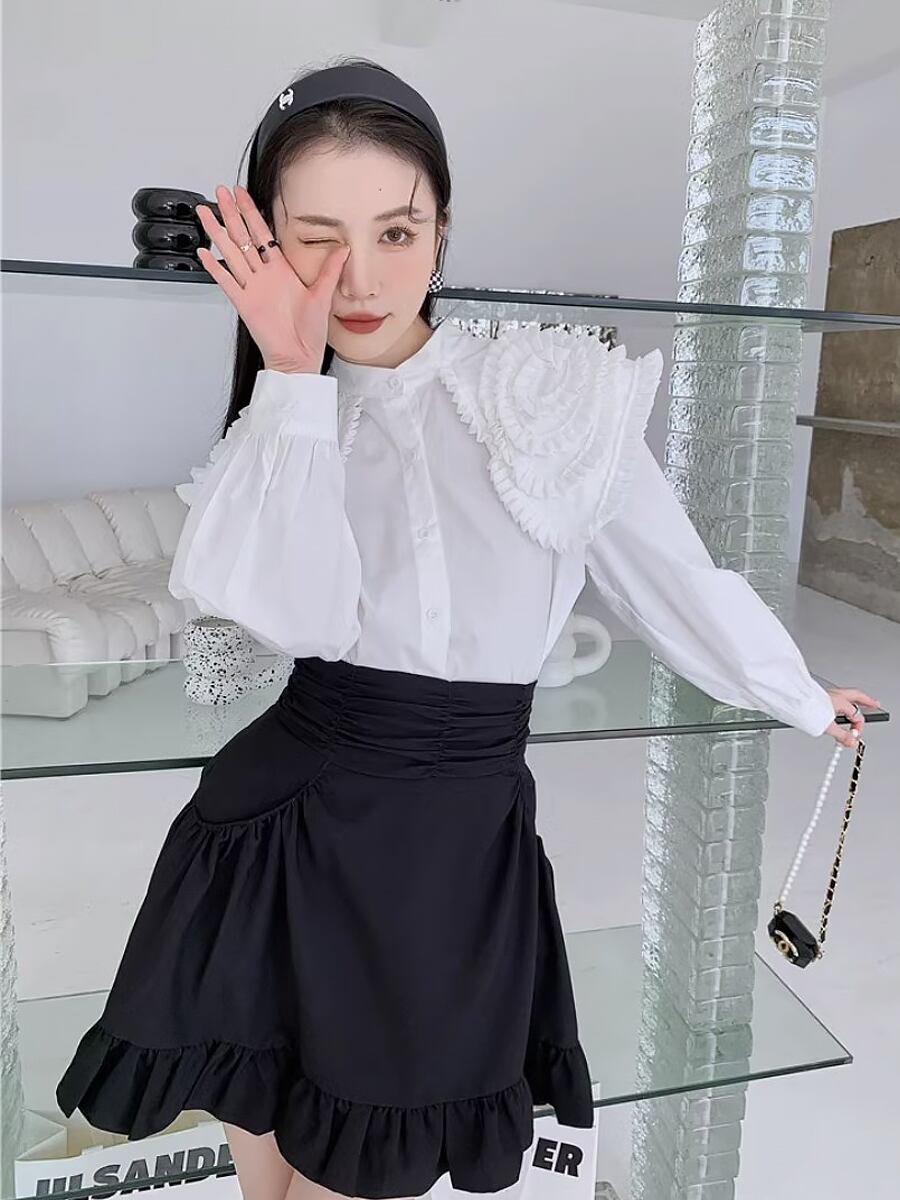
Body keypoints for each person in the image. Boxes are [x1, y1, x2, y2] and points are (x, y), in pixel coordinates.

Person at [55, 56, 877, 1200]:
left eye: (396, 232)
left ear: (442, 230)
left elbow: (671, 577)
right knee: (270, 1168)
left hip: (452, 843)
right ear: (270, 247)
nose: (358, 276)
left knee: (362, 1167)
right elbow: (290, 617)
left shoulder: (549, 394)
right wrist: (290, 375)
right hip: (281, 827)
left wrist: (792, 689)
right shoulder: (281, 427)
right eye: (316, 238)